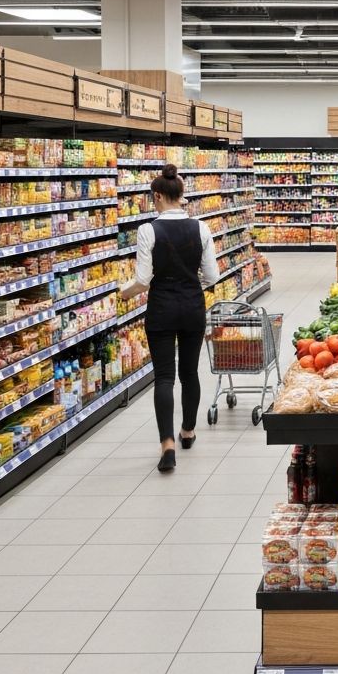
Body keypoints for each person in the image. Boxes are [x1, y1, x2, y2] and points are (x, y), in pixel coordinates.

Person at [120, 164, 219, 472]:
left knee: (164, 377)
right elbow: (213, 275)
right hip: (192, 307)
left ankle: (167, 446)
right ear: (182, 195)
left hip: (161, 309)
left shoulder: (148, 230)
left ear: (157, 196)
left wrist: (124, 293)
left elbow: (143, 280)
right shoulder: (200, 228)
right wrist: (191, 286)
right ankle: (188, 430)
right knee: (190, 373)